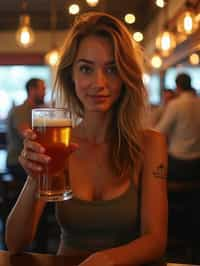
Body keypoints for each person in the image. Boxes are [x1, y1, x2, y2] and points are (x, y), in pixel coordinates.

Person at [6, 12, 168, 266]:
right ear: (71, 75)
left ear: (127, 75)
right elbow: (15, 242)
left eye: (112, 69)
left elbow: (156, 240)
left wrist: (107, 260)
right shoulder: (60, 142)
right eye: (86, 69)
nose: (98, 83)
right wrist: (33, 177)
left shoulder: (150, 144)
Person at [156, 73, 200, 180]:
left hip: (178, 160)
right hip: (197, 159)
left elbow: (160, 130)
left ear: (177, 86)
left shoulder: (175, 104)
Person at [6, 78, 46, 182]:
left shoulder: (37, 110)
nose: (45, 93)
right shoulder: (20, 110)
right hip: (17, 161)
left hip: (31, 159)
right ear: (32, 90)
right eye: (43, 89)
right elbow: (27, 135)